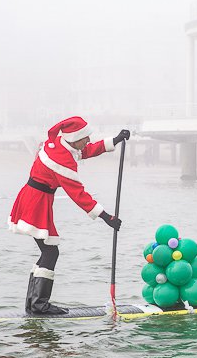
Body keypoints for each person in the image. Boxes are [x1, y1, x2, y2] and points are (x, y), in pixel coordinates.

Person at [8, 116, 131, 315]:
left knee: (48, 252)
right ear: (74, 138)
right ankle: (39, 304)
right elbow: (78, 194)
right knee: (50, 252)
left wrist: (115, 140)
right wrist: (106, 217)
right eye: (85, 137)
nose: (88, 140)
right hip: (36, 202)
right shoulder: (61, 160)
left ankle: (33, 303)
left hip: (35, 198)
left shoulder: (61, 144)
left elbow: (86, 151)